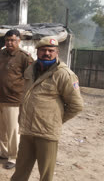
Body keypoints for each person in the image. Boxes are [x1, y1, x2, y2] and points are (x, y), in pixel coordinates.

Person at [11, 37, 83, 181]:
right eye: (43, 50)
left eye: (51, 50)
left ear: (57, 52)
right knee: (20, 170)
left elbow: (76, 105)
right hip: (27, 130)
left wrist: (55, 120)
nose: (47, 53)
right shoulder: (31, 69)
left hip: (47, 133)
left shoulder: (64, 74)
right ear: (37, 51)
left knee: (45, 173)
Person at [0, 29, 34, 169]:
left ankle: (13, 157)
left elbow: (31, 79)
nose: (9, 43)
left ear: (19, 41)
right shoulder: (1, 54)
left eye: (13, 40)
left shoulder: (24, 57)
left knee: (13, 131)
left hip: (13, 100)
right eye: (7, 40)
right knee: (0, 128)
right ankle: (4, 152)